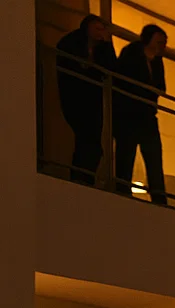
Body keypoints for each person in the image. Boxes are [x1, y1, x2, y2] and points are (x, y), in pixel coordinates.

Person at [55, 14, 116, 185]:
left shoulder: (103, 48)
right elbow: (67, 63)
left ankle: (86, 178)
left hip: (93, 99)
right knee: (85, 139)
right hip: (75, 96)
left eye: (103, 29)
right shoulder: (71, 41)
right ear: (87, 28)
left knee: (94, 144)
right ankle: (79, 178)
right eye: (98, 29)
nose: (100, 33)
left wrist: (107, 43)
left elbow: (112, 69)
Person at [111, 25, 168, 205]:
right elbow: (122, 79)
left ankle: (159, 197)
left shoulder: (157, 60)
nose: (162, 46)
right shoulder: (132, 53)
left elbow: (161, 87)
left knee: (154, 156)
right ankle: (122, 190)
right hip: (129, 113)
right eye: (159, 41)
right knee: (126, 153)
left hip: (148, 114)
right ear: (148, 39)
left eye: (163, 43)